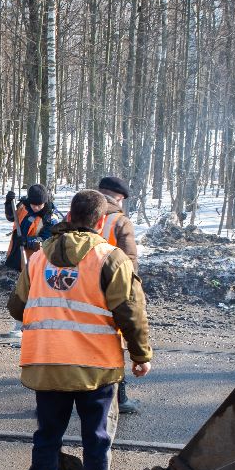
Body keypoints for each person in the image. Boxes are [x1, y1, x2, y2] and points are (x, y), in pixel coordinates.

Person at [8, 188, 152, 470]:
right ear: (100, 221)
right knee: (97, 437)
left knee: (47, 435)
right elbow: (130, 312)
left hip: (46, 363)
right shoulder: (110, 258)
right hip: (95, 368)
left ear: (68, 216)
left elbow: (17, 306)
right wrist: (140, 355)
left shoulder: (40, 257)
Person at [96, 176, 144, 414]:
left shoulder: (78, 212)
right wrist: (132, 293)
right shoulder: (119, 220)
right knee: (115, 341)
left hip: (77, 288)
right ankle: (119, 398)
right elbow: (129, 261)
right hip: (109, 289)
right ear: (119, 197)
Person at [4, 183, 57, 268]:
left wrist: (27, 241)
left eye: (39, 205)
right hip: (14, 254)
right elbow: (11, 217)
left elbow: (47, 240)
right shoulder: (23, 206)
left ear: (44, 202)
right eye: (33, 205)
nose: (36, 208)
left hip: (33, 262)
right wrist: (8, 204)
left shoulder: (50, 219)